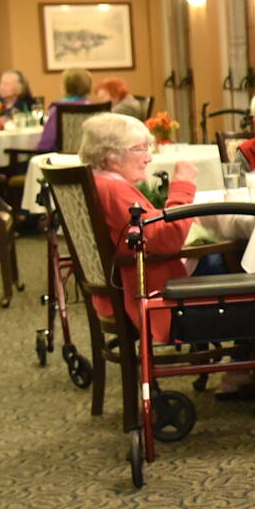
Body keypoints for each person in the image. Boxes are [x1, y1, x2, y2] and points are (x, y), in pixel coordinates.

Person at [78, 113, 199, 343]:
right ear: (111, 156)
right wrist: (183, 187)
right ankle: (252, 363)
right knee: (233, 263)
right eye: (140, 149)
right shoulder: (114, 190)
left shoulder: (98, 182)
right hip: (146, 291)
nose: (148, 157)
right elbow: (167, 240)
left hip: (119, 287)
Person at [35, 68, 94, 153]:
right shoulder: (94, 109)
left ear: (64, 86)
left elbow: (46, 144)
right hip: (89, 159)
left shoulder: (58, 110)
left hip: (61, 160)